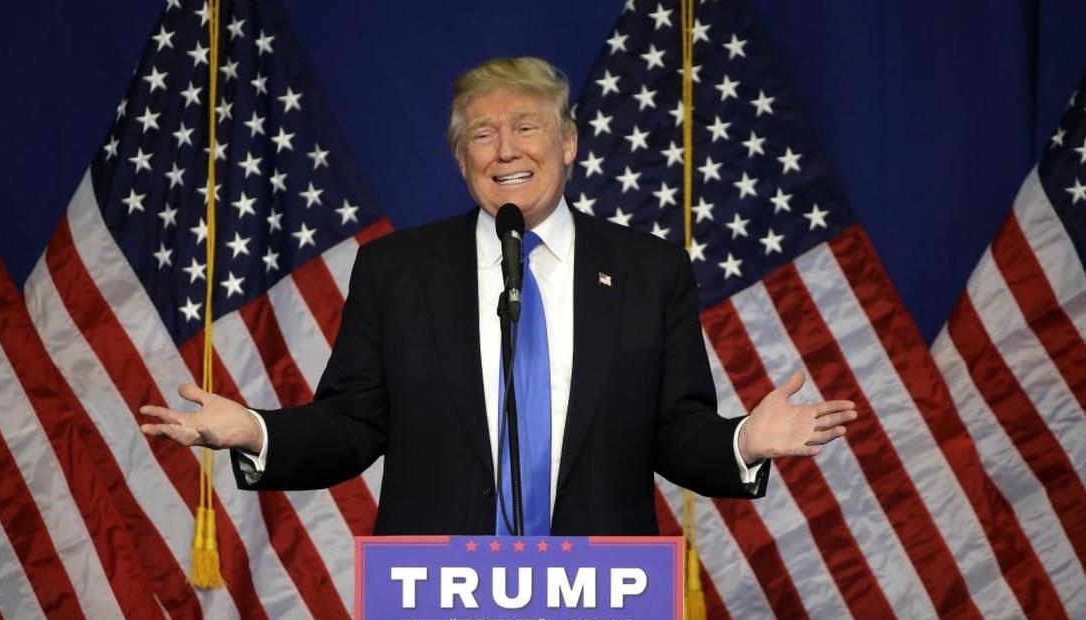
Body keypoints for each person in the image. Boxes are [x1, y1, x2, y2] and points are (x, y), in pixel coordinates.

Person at [140, 57, 856, 536]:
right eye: (483, 133)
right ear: (462, 159)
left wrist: (745, 441)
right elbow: (352, 425)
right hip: (437, 600)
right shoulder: (396, 270)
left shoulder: (648, 269)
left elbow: (674, 431)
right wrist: (256, 431)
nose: (505, 149)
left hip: (598, 600)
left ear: (569, 143)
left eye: (525, 127)